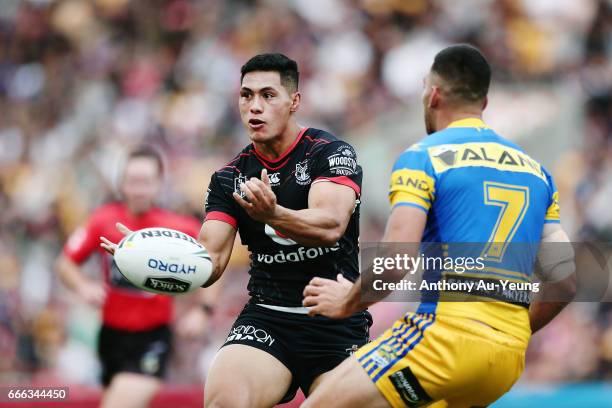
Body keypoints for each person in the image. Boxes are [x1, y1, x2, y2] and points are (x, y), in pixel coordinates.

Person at [301, 44, 577, 408]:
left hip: (444, 340)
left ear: (433, 96)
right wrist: (512, 331)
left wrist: (347, 301)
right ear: (484, 103)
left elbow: (396, 261)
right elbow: (566, 281)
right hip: (506, 356)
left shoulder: (424, 156)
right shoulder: (537, 172)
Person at [101, 53, 371, 407]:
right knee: (224, 400)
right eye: (246, 95)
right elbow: (210, 262)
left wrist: (272, 213)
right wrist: (152, 261)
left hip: (336, 318)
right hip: (268, 316)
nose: (254, 106)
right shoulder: (229, 177)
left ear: (294, 101)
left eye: (268, 95)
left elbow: (331, 225)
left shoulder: (331, 153)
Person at [56, 146, 215, 408]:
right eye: (133, 181)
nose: (139, 189)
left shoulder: (178, 229)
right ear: (122, 184)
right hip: (109, 337)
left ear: (158, 184)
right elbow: (65, 263)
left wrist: (203, 311)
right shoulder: (102, 220)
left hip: (152, 338)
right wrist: (83, 286)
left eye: (146, 181)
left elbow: (213, 266)